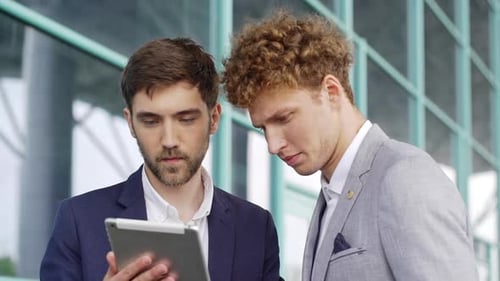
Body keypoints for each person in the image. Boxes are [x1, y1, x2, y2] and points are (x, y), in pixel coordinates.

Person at [222, 12, 479, 281]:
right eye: (263, 128)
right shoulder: (333, 194)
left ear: (331, 92)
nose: (272, 145)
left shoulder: (405, 178)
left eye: (284, 118)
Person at [40, 38, 282, 281]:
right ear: (131, 122)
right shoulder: (78, 221)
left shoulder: (255, 229)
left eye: (186, 119)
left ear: (214, 118)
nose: (169, 140)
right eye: (151, 121)